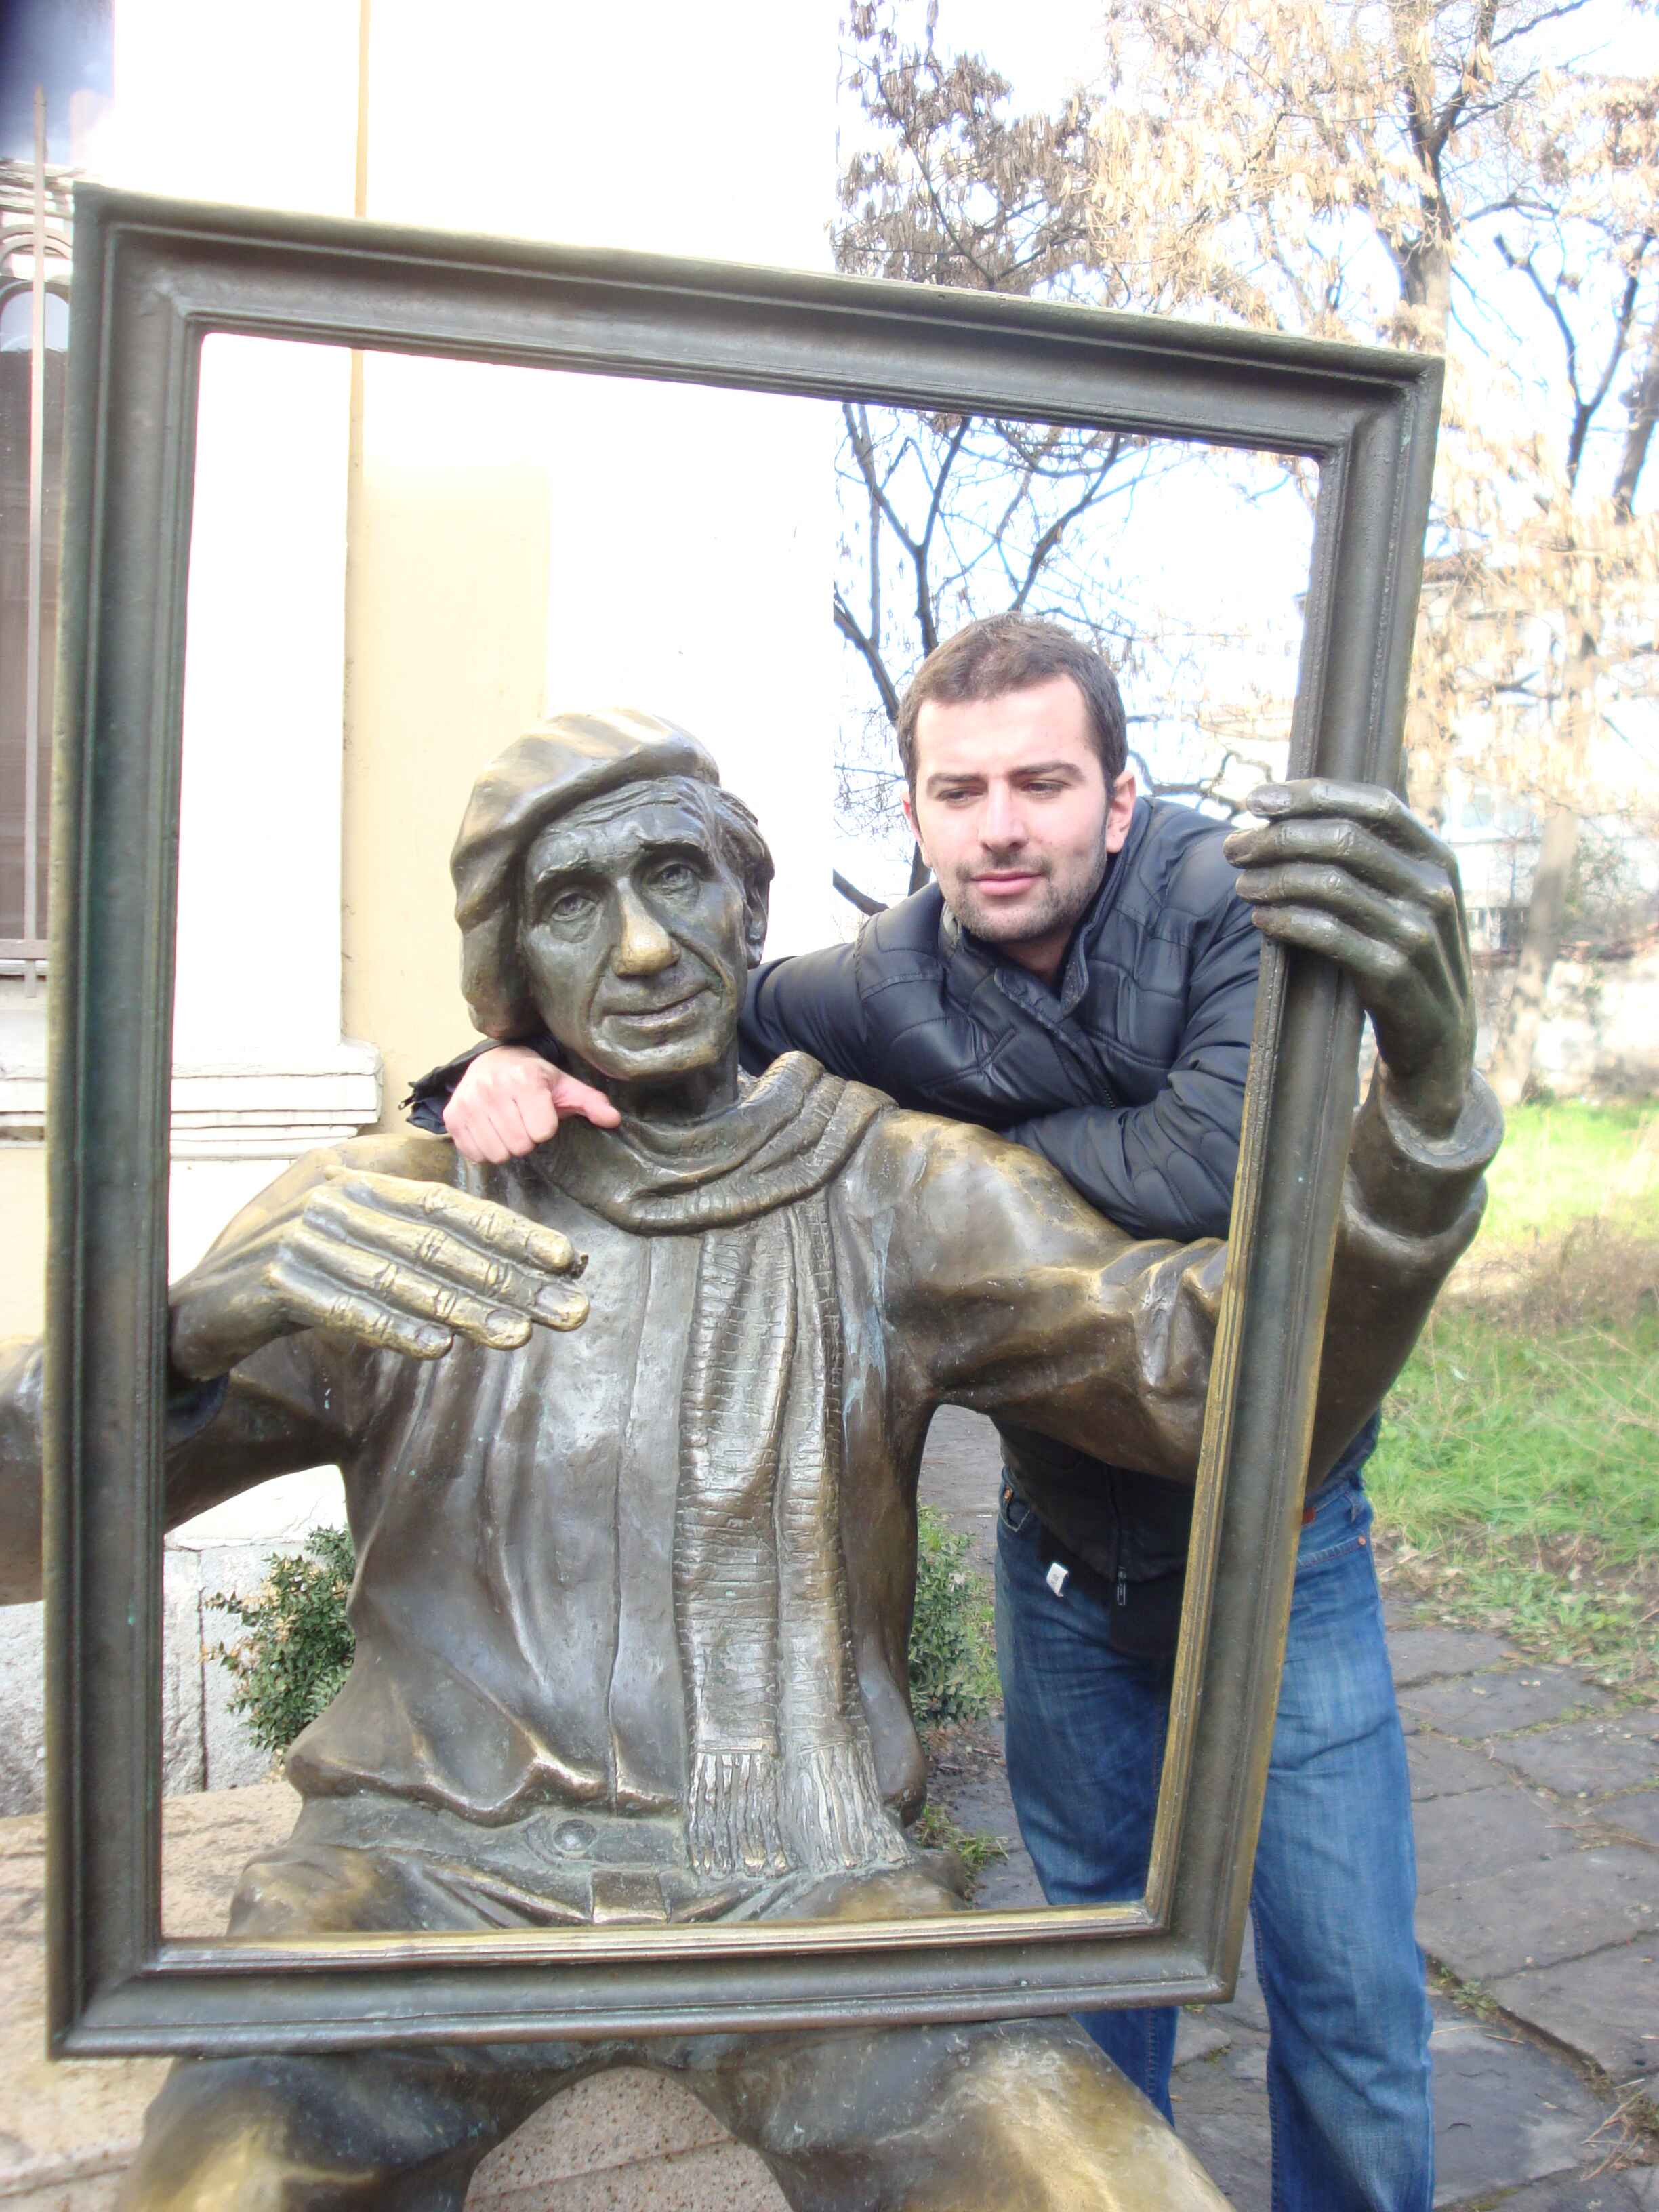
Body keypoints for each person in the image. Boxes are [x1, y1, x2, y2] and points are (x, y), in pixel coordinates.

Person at [0, 709, 1494, 2212]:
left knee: (1099, 2183)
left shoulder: (892, 1189)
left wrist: (1422, 1116)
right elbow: (19, 1535)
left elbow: (1208, 1381)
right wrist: (178, 1338)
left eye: (676, 876)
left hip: (807, 1882)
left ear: (748, 908)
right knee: (228, 2184)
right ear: (509, 972)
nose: (646, 948)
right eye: (572, 904)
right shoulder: (390, 1213)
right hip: (409, 1881)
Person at [423, 623, 1495, 2212]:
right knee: (1087, 1970)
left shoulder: (1240, 909)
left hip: (1279, 1550)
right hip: (1063, 1559)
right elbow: (686, 1006)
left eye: (1043, 785)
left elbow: (1213, 1175)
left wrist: (935, 1183)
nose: (1000, 827)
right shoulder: (882, 979)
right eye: (959, 790)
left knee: (1348, 2000)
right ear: (916, 813)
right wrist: (492, 1063)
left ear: (1119, 799)